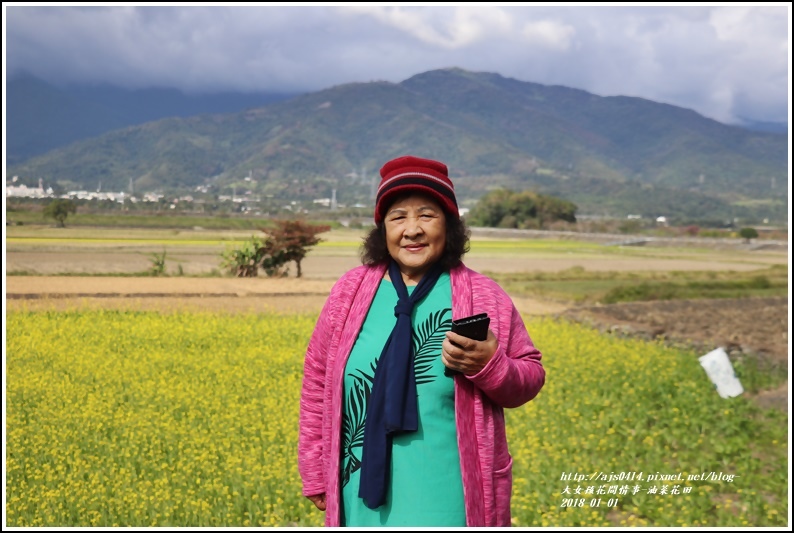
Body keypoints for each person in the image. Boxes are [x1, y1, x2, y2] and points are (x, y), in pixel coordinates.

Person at [298, 155, 545, 527]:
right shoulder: (349, 293)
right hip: (359, 497)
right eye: (398, 217)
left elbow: (529, 377)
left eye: (427, 215)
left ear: (449, 225)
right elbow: (317, 381)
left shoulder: (483, 295)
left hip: (452, 497)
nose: (412, 230)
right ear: (383, 229)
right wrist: (316, 471)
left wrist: (491, 364)